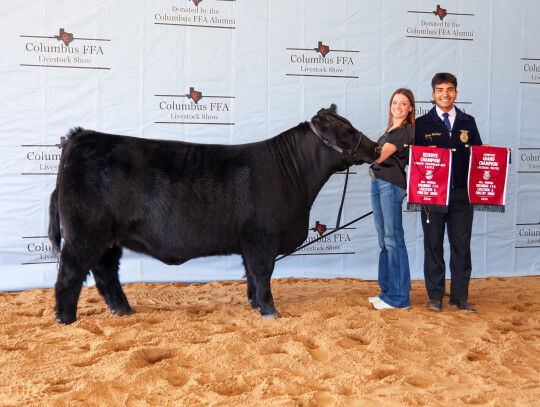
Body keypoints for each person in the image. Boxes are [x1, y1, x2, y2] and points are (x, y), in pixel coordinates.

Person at [414, 72, 483, 313]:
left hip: (462, 195)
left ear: (456, 92)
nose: (445, 94)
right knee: (433, 244)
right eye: (440, 90)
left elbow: (479, 156)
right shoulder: (421, 124)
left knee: (461, 246)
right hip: (432, 195)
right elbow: (415, 161)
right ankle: (435, 296)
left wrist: (498, 161)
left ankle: (460, 297)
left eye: (450, 89)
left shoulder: (468, 122)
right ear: (433, 94)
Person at [368, 88, 415, 310]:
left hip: (390, 185)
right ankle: (387, 292)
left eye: (403, 103)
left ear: (410, 108)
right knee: (384, 240)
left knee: (393, 239)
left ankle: (399, 298)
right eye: (394, 102)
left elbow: (380, 155)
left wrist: (355, 148)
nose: (398, 106)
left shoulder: (405, 130)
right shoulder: (391, 129)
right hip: (378, 181)